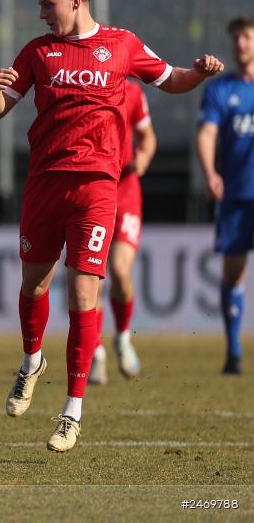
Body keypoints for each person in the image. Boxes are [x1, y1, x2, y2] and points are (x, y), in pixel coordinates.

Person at [0, 0, 224, 452]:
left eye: (47, 4)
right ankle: (32, 361)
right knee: (35, 285)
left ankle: (72, 411)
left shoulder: (122, 44)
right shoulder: (37, 52)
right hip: (45, 183)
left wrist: (198, 74)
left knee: (83, 295)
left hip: (97, 185)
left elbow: (171, 78)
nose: (41, 13)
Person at [197, 16, 254, 376]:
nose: (240, 44)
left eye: (246, 37)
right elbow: (206, 134)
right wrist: (211, 172)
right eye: (235, 38)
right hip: (236, 194)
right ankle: (233, 352)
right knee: (233, 271)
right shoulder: (221, 89)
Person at [89, 80, 156, 384]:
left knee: (119, 270)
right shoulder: (82, 88)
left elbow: (148, 136)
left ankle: (123, 338)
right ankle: (97, 352)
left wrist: (144, 155)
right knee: (93, 280)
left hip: (126, 193)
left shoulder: (133, 93)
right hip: (92, 192)